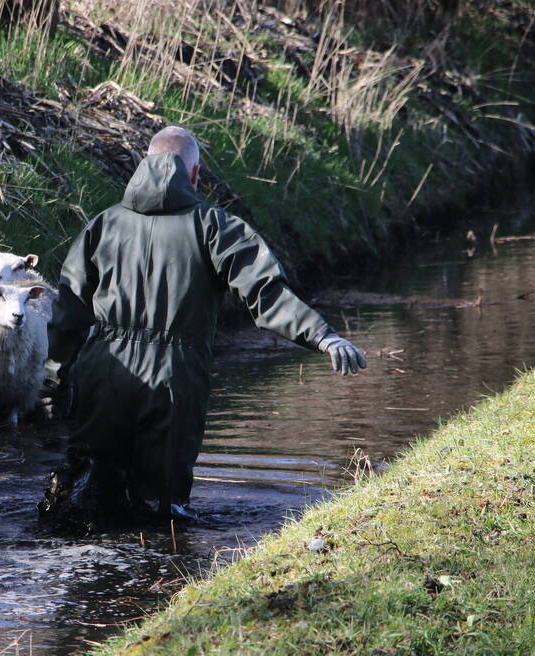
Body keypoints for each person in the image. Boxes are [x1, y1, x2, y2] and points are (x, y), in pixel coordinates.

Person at [41, 126, 366, 532]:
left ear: (143, 164)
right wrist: (321, 334)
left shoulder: (103, 225)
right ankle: (154, 585)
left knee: (86, 491)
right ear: (194, 175)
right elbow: (264, 293)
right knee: (160, 508)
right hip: (173, 379)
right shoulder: (215, 226)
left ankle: (81, 579)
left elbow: (68, 309)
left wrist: (54, 380)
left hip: (102, 370)